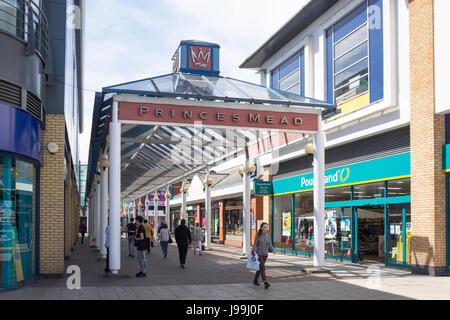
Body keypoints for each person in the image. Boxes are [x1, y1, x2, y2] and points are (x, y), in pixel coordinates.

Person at [252, 222, 275, 289]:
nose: (266, 228)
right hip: (259, 254)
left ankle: (255, 280)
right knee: (262, 267)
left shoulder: (268, 236)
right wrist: (254, 251)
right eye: (264, 227)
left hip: (265, 254)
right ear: (261, 228)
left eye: (267, 227)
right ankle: (265, 282)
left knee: (260, 268)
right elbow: (255, 245)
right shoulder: (258, 235)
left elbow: (270, 244)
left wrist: (272, 250)